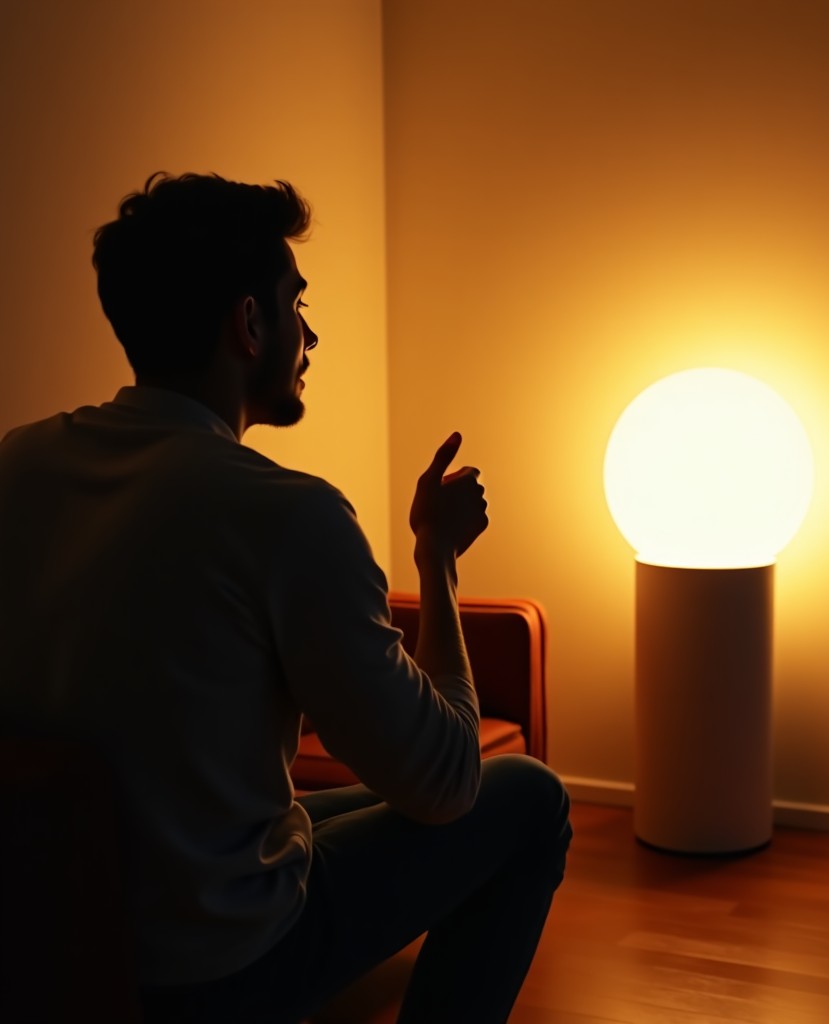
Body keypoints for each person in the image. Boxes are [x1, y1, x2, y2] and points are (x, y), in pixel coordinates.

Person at [0, 172, 571, 1023]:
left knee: (358, 801)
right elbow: (447, 781)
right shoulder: (285, 514)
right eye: (296, 304)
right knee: (526, 795)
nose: (311, 333)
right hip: (217, 965)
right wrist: (437, 560)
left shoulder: (19, 464)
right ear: (249, 323)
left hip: (55, 934)